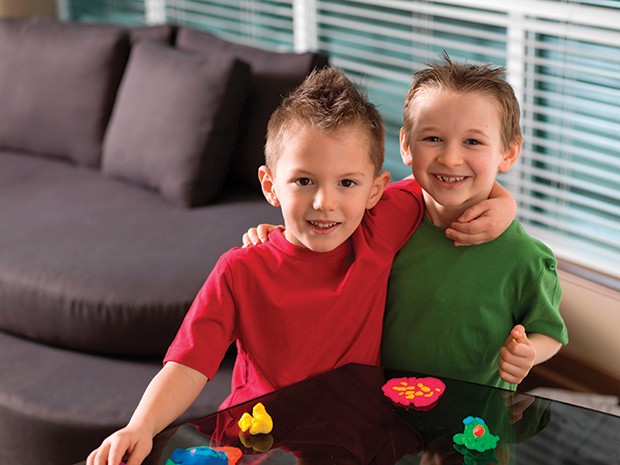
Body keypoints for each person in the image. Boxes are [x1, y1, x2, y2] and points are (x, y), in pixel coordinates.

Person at [87, 67, 430, 465]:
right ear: (270, 185)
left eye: (347, 183)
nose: (325, 202)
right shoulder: (240, 270)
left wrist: (501, 203)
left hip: (353, 442)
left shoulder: (380, 225)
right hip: (256, 444)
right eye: (304, 181)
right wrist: (141, 426)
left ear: (376, 189)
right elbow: (188, 364)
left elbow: (448, 180)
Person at [381, 53, 568, 390]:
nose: (451, 158)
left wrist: (529, 352)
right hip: (387, 411)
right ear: (407, 145)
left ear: (508, 153)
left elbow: (549, 332)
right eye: (433, 138)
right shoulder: (382, 224)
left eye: (473, 142)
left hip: (477, 426)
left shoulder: (525, 258)